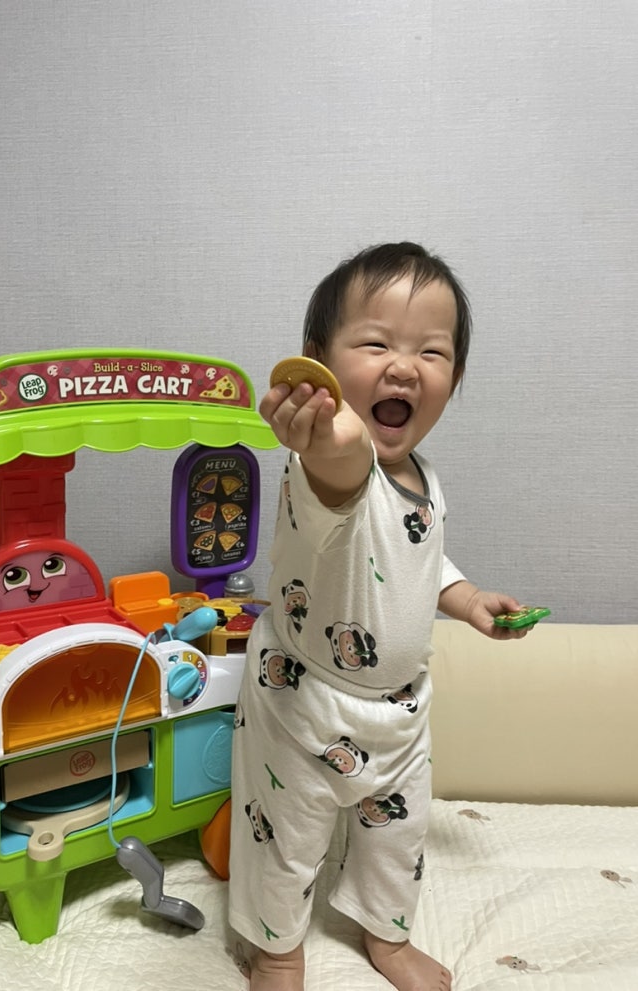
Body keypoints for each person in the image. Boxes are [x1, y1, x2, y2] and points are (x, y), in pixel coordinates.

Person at [228, 242, 534, 991]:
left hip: (400, 710)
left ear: (453, 377)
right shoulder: (326, 469)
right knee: (285, 838)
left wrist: (468, 600)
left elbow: (415, 556)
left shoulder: (423, 476)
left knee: (398, 837)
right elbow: (343, 473)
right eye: (375, 344)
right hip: (302, 701)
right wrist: (330, 442)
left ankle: (386, 937)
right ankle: (276, 951)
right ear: (321, 365)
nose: (404, 366)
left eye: (432, 351)